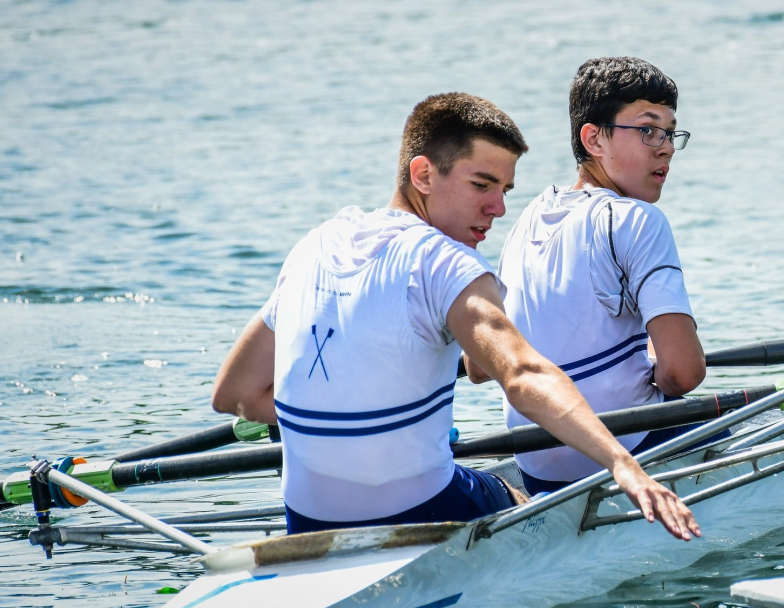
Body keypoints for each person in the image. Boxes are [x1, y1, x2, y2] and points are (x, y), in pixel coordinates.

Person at [211, 92, 700, 541]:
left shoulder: (312, 247)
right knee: (511, 501)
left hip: (309, 522)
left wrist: (348, 423)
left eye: (506, 189)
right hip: (422, 507)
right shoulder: (448, 263)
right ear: (423, 174)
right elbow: (520, 373)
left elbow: (235, 395)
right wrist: (623, 466)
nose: (499, 208)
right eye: (482, 185)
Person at [472, 57, 711, 495]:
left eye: (670, 131)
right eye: (647, 129)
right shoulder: (638, 220)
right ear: (594, 138)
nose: (666, 147)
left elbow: (478, 367)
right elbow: (684, 373)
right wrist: (656, 366)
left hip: (539, 465)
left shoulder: (528, 218)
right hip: (627, 450)